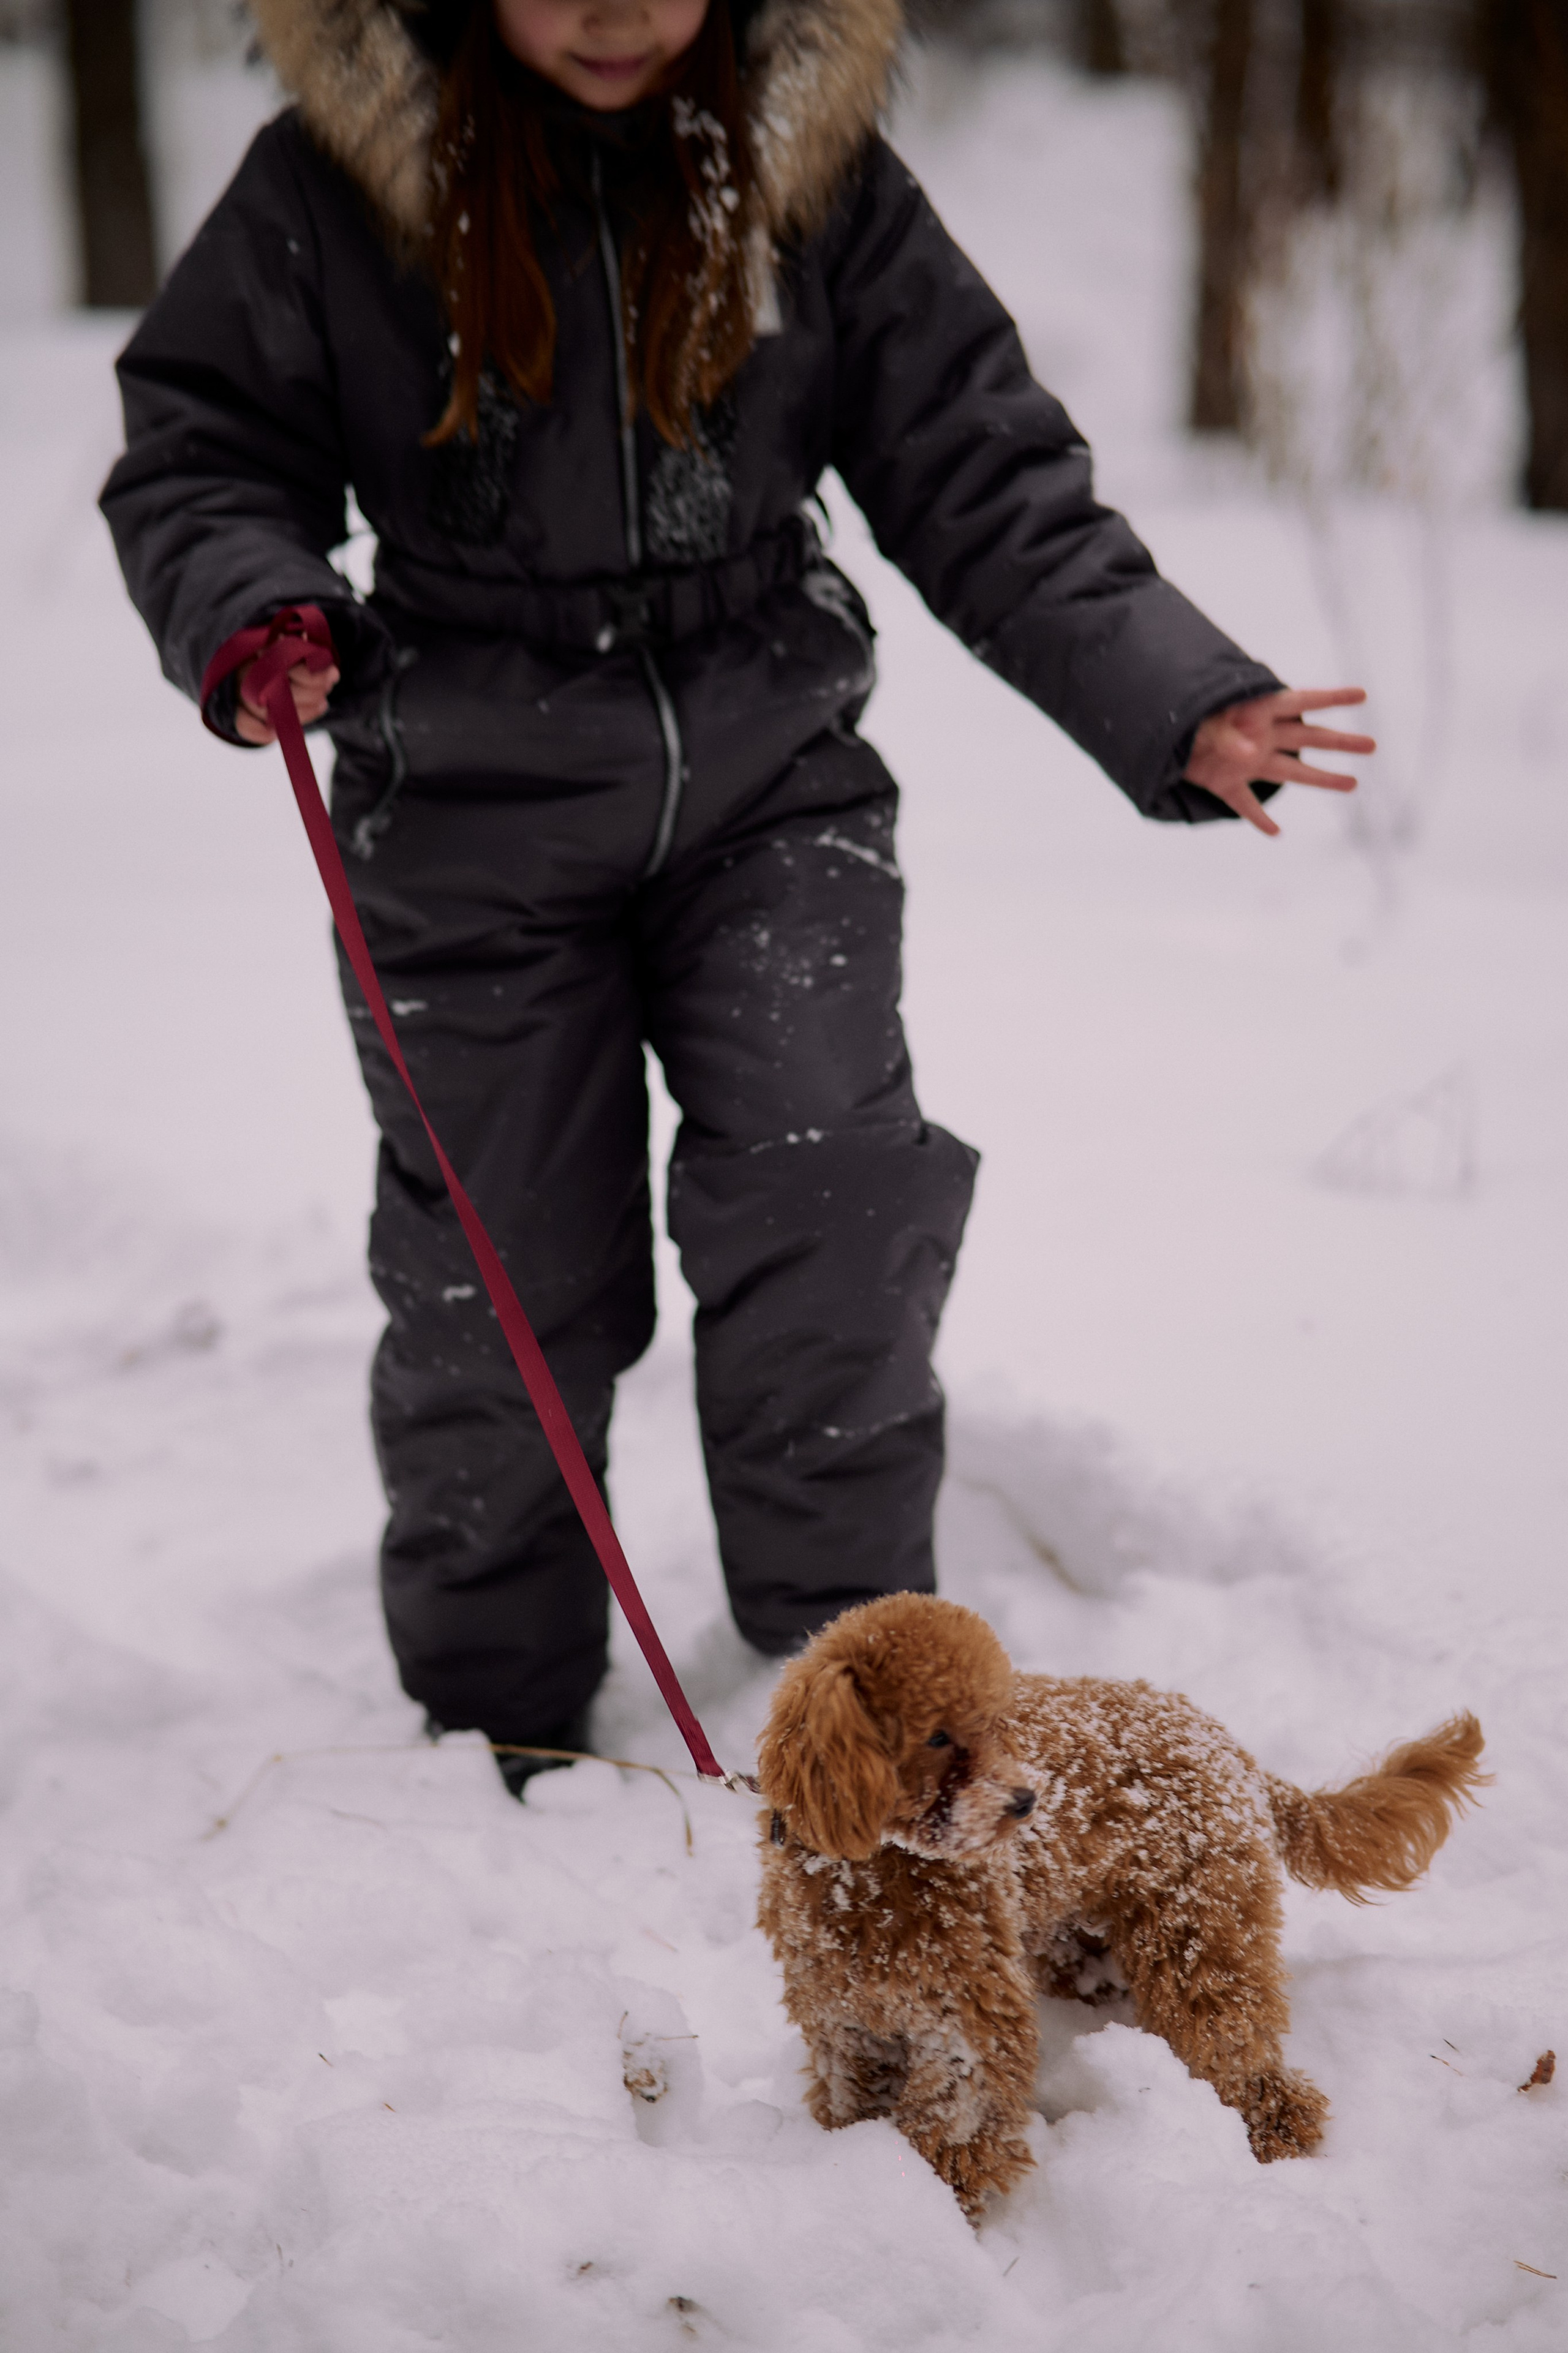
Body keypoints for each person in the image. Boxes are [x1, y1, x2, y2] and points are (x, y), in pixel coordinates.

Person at [101, 0, 1373, 1795]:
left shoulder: (806, 168)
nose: (617, 11)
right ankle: (496, 1720)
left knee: (831, 1189)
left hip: (772, 784)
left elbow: (982, 465)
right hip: (463, 804)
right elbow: (204, 447)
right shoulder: (337, 188)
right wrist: (252, 604)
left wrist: (1172, 690)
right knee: (501, 1266)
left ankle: (857, 1680)